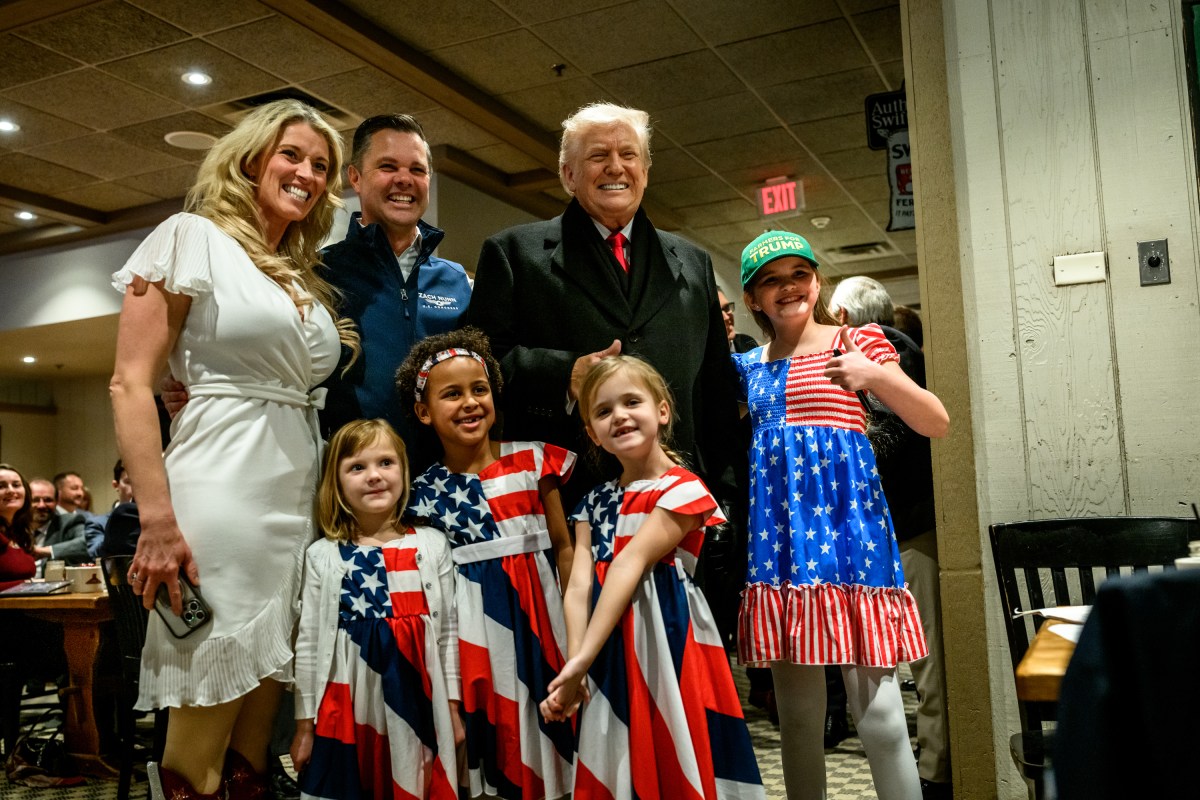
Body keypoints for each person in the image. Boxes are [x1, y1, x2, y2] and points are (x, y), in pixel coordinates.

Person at [109, 99, 353, 800]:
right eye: (291, 154)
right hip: (220, 492)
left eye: (321, 165)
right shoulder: (190, 235)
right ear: (249, 160)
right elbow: (130, 383)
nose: (307, 173)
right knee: (201, 728)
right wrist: (157, 521)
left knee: (254, 745)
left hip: (294, 501)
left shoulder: (297, 273)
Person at [735, 231, 949, 800]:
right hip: (783, 554)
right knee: (798, 722)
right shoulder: (749, 368)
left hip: (854, 544)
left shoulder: (858, 342)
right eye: (771, 280)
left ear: (817, 281)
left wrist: (874, 376)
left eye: (799, 274)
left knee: (882, 719)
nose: (788, 287)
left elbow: (936, 420)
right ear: (753, 298)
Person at [464, 102, 739, 512]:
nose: (615, 167)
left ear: (645, 171)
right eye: (598, 156)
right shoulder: (514, 254)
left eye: (628, 154)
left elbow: (715, 391)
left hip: (681, 499)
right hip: (566, 500)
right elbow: (481, 366)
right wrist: (565, 373)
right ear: (568, 175)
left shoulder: (693, 261)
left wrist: (726, 498)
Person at [540, 355, 764, 799]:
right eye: (603, 411)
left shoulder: (683, 488)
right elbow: (578, 586)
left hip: (668, 643)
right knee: (615, 752)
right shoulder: (592, 502)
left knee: (674, 742)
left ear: (662, 410)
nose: (619, 416)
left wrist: (582, 660)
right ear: (592, 433)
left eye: (631, 402)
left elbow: (630, 563)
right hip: (605, 643)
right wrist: (576, 662)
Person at [398, 328, 576, 800]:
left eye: (479, 389)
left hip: (547, 629)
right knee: (500, 745)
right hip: (476, 644)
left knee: (560, 740)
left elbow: (564, 547)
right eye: (451, 394)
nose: (470, 403)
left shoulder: (535, 461)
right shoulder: (422, 495)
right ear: (423, 411)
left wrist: (575, 627)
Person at [291, 419, 460, 800]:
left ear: (404, 469)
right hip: (347, 706)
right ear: (336, 483)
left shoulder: (431, 545)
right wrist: (304, 725)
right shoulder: (323, 556)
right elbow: (309, 644)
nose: (374, 476)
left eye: (386, 462)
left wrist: (452, 707)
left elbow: (449, 632)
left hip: (417, 700)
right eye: (357, 467)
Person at [829, 276, 950, 798]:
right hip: (891, 529)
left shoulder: (886, 351)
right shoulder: (880, 351)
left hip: (907, 527)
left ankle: (936, 777)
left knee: (928, 667)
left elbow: (892, 437)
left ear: (844, 317)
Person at [317, 113, 472, 471]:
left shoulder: (456, 281)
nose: (404, 179)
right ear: (355, 177)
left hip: (443, 484)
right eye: (388, 166)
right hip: (357, 482)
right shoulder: (320, 274)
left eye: (417, 170)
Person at [27, 477, 90, 565]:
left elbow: (87, 542)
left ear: (56, 502)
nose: (41, 505)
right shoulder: (15, 527)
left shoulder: (69, 522)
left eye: (48, 500)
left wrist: (45, 551)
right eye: (35, 500)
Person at [0, 465, 37, 588]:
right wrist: (27, 585)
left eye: (16, 485)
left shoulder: (19, 532)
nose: (11, 491)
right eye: (1, 486)